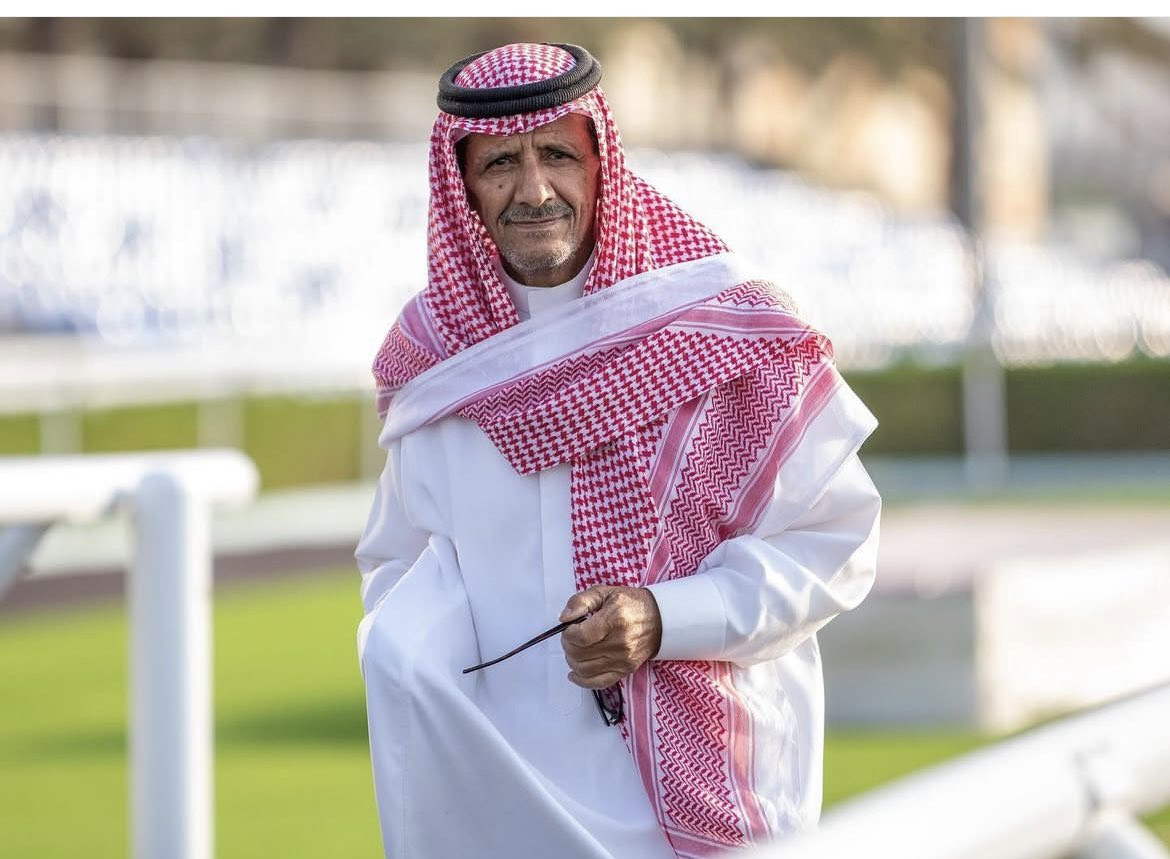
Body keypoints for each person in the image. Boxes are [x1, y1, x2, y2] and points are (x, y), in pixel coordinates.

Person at [356, 42, 881, 858]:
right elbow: (394, 570)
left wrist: (665, 617)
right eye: (500, 164)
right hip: (501, 807)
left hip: (695, 805)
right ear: (461, 183)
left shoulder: (715, 326)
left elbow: (835, 542)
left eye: (558, 154)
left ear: (601, 160)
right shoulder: (433, 365)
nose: (535, 190)